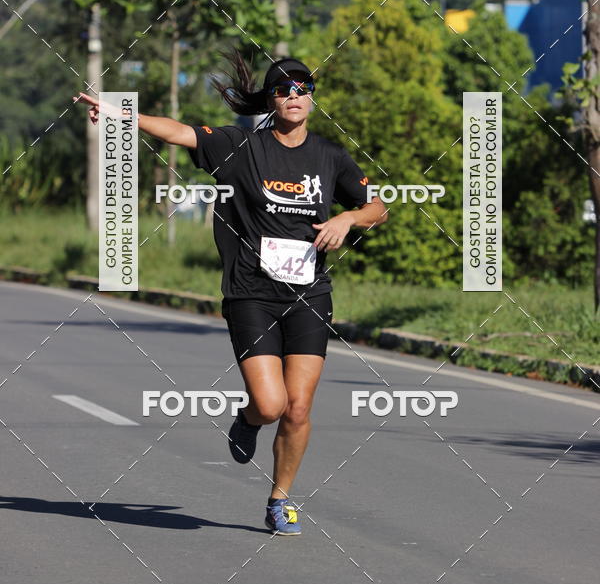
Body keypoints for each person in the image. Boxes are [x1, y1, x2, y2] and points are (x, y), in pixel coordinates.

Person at [75, 52, 387, 535]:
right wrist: (121, 114)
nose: (295, 96)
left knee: (298, 407)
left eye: (303, 87)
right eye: (284, 89)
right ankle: (248, 420)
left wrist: (348, 218)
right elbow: (182, 132)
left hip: (309, 293)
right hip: (251, 293)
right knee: (269, 404)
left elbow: (377, 206)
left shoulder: (329, 156)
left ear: (312, 96)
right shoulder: (240, 146)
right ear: (272, 99)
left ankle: (280, 499)